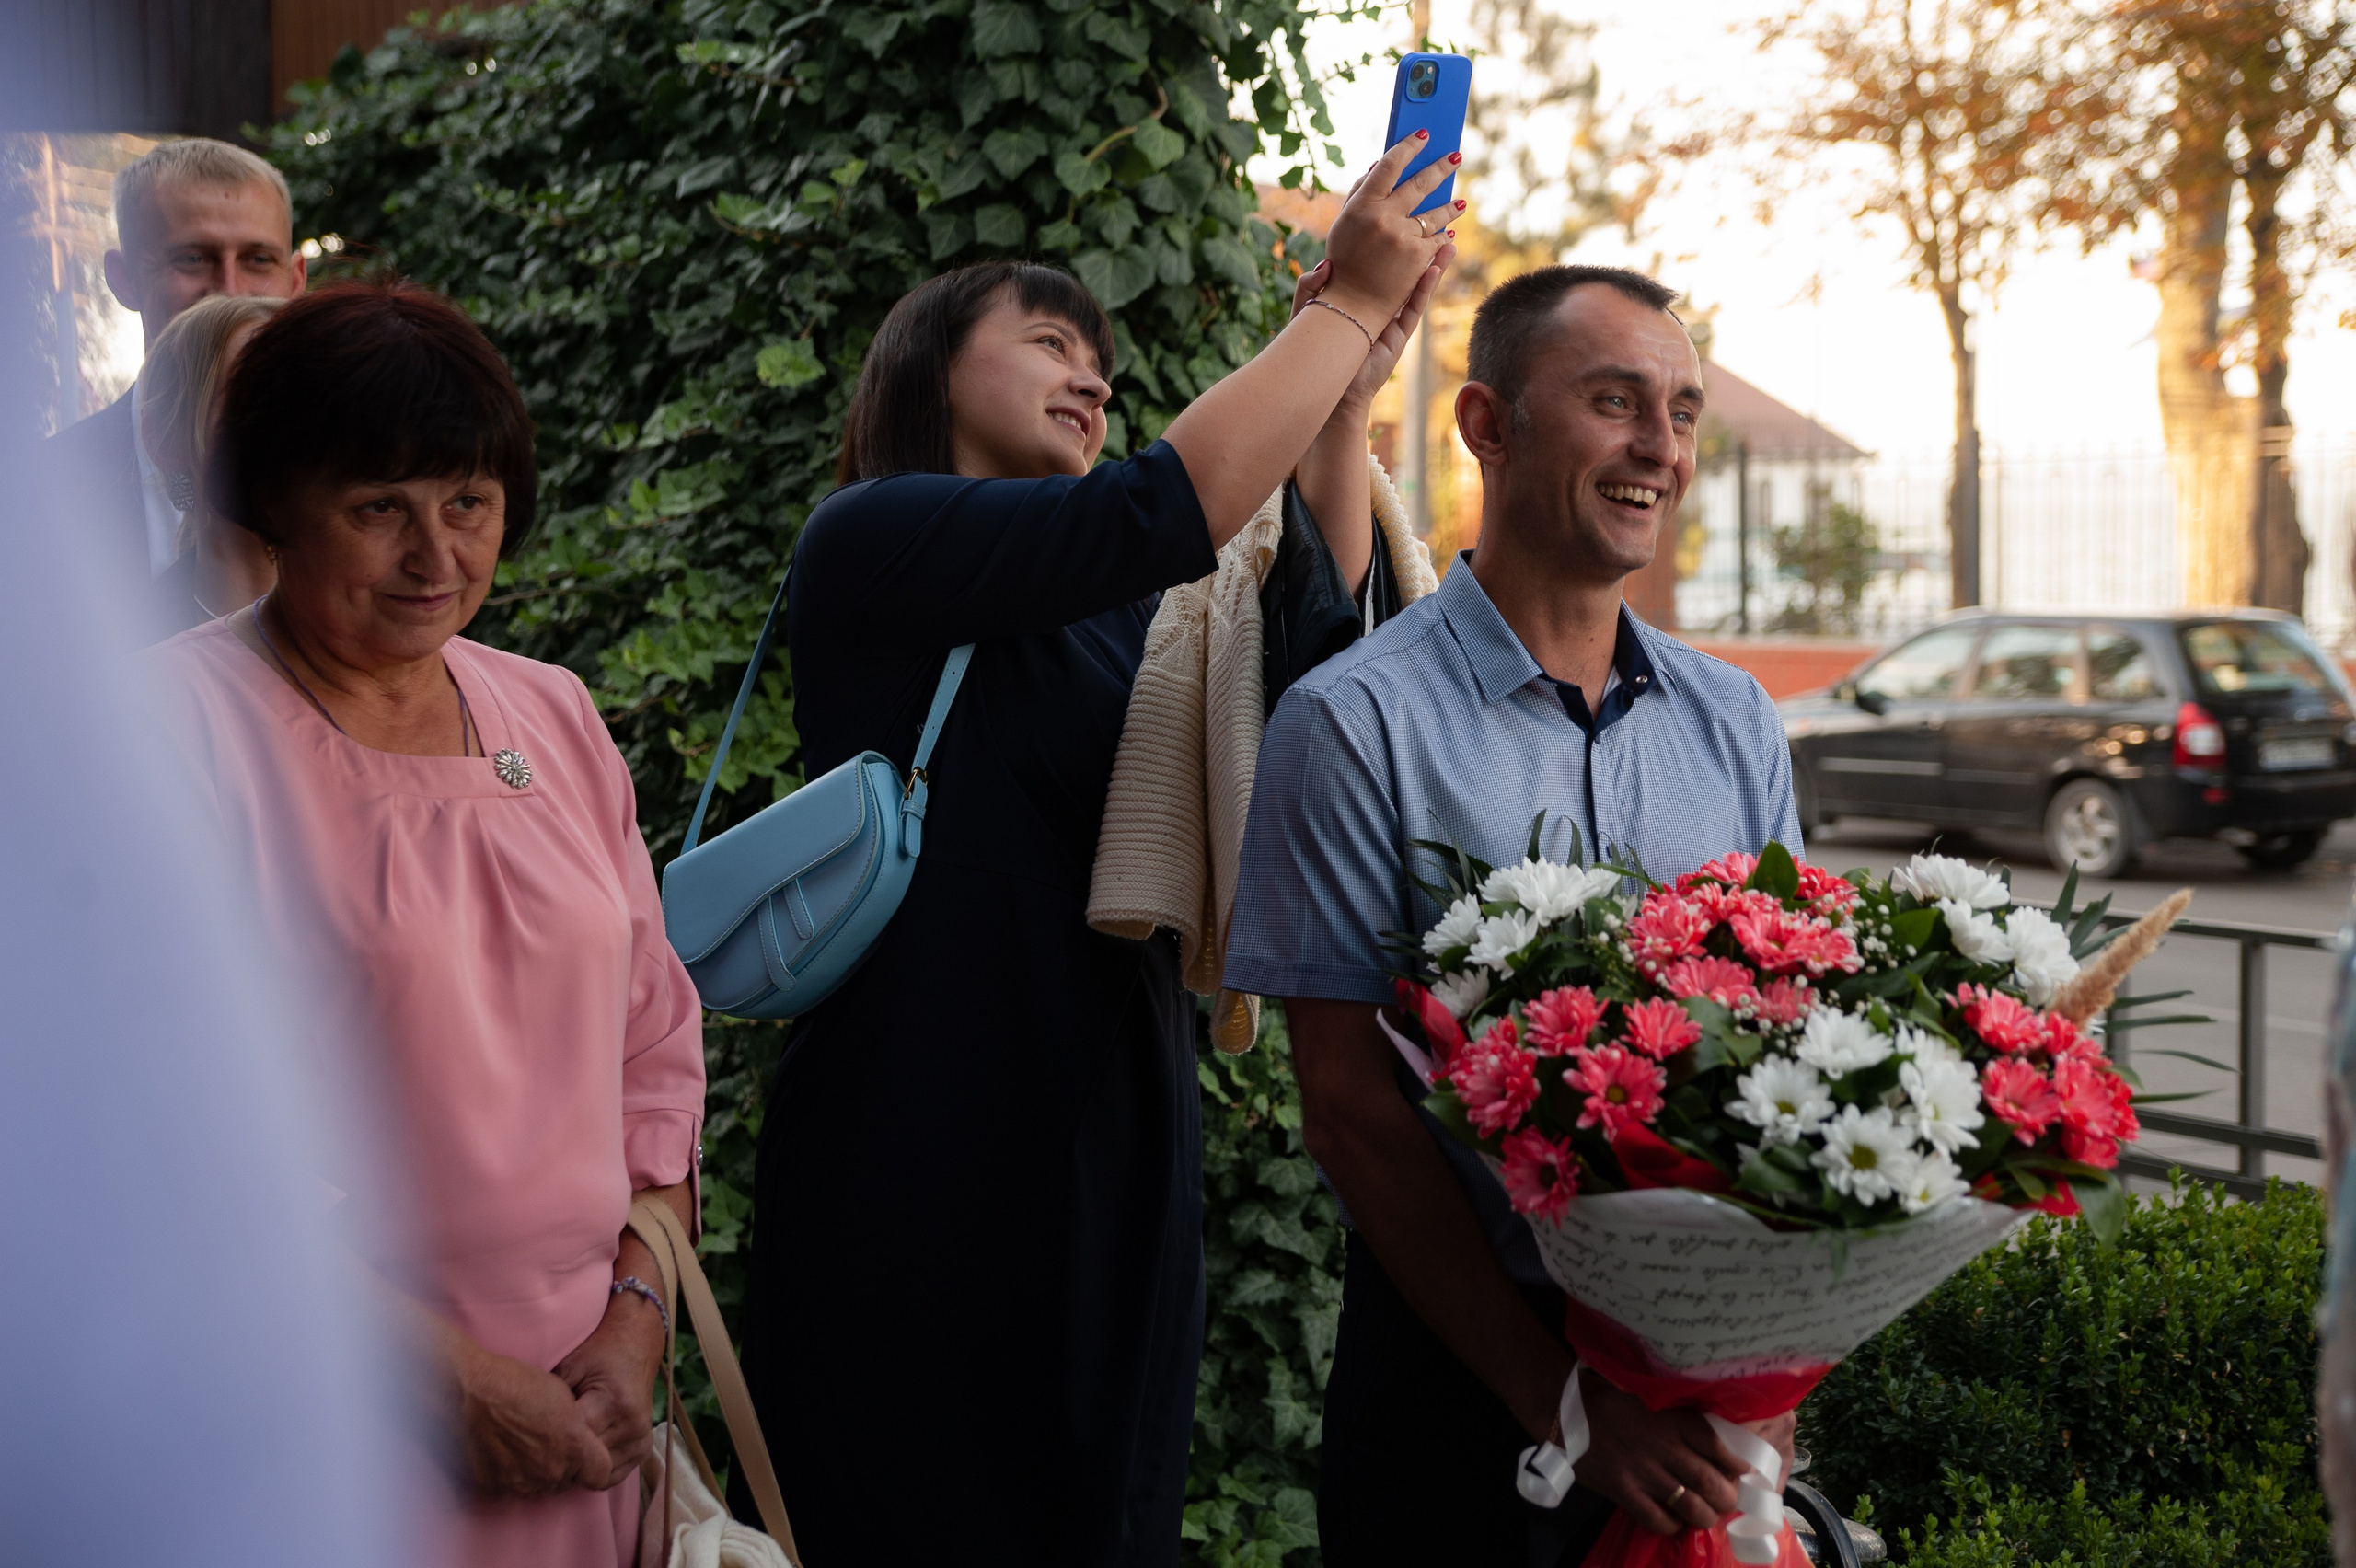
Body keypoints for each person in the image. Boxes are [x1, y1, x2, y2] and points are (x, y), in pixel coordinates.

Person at [733, 136, 1462, 1568]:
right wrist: (1332, 308)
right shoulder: (870, 541)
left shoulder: (1123, 619)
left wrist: (1345, 402)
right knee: (911, 1492)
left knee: (1095, 1500)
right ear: (933, 366)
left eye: (1104, 361)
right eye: (1050, 341)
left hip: (1109, 1111)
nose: (1093, 375)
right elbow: (1157, 510)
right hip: (921, 1107)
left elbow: (1299, 676)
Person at [1222, 264, 1805, 1567]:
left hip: (1701, 1407)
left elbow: (1793, 1048)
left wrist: (1768, 1382)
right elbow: (1352, 1112)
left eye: (1685, 411)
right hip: (1455, 1400)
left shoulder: (1736, 723)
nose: (1661, 446)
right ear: (1485, 423)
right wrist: (1565, 1406)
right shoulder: (1354, 722)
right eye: (1614, 401)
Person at [149, 280, 706, 1568]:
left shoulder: (554, 714)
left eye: (467, 503)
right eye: (376, 507)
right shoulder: (162, 737)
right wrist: (440, 1379)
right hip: (313, 1408)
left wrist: (637, 1314)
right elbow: (161, 1133)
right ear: (271, 505)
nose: (436, 556)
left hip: (582, 1410)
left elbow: (655, 1046)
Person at [47, 138, 306, 597]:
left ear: (296, 279)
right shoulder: (32, 495)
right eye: (193, 258)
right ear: (124, 279)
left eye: (258, 260)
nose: (229, 290)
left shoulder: (349, 474)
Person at [137, 293, 283, 635]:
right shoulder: (126, 659)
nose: (292, 422)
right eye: (254, 396)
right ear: (165, 442)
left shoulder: (394, 624)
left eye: (312, 395)